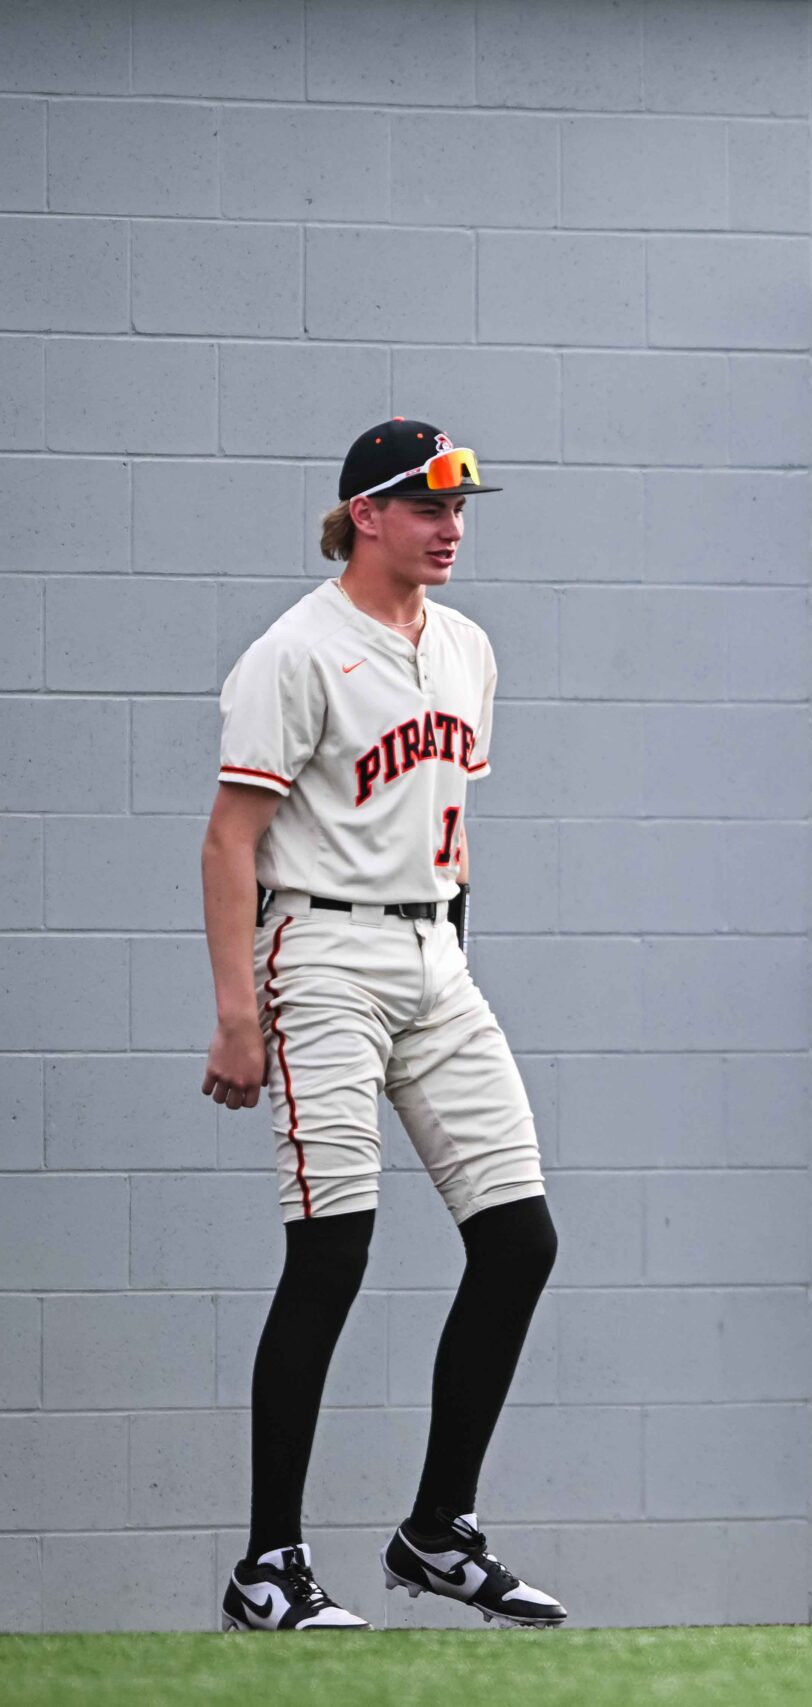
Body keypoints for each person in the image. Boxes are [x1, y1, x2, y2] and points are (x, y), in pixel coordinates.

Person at [200, 421, 565, 1631]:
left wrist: (449, 960)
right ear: (365, 514)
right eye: (426, 506)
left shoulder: (465, 646)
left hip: (433, 952)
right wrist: (238, 1013)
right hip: (320, 952)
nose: (451, 527)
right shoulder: (297, 651)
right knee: (332, 1252)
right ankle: (269, 1566)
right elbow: (230, 841)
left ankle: (437, 1531)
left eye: (460, 507)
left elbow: (445, 822)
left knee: (519, 1241)